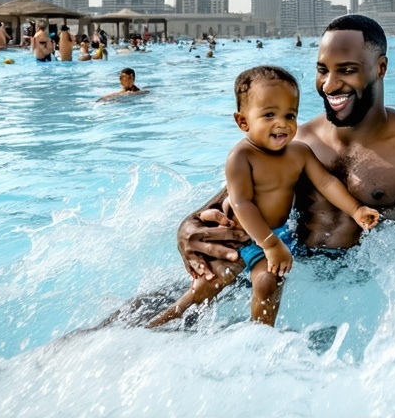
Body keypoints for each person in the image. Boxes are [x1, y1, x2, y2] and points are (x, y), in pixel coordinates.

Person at [164, 15, 395, 290]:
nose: (329, 85)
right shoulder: (296, 140)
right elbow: (234, 197)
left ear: (381, 67)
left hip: (366, 290)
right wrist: (186, 228)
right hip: (284, 269)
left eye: (347, 70)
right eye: (322, 70)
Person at [146, 66, 380, 328]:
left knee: (269, 283)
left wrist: (356, 209)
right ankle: (154, 328)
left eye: (290, 115)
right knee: (203, 291)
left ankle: (259, 336)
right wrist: (269, 244)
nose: (282, 123)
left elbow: (326, 182)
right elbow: (241, 202)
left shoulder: (299, 153)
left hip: (277, 235)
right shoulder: (241, 157)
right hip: (242, 237)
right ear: (243, 122)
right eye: (269, 114)